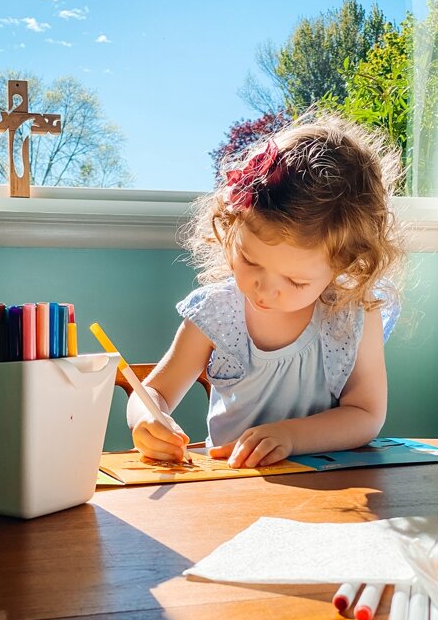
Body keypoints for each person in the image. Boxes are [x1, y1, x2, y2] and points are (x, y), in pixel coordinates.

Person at [127, 114, 403, 470]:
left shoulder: (353, 316)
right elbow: (152, 392)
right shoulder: (215, 312)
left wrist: (289, 437)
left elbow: (366, 414)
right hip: (232, 489)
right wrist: (147, 419)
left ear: (344, 265)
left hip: (327, 494)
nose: (265, 290)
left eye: (296, 281)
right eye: (249, 260)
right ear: (229, 230)